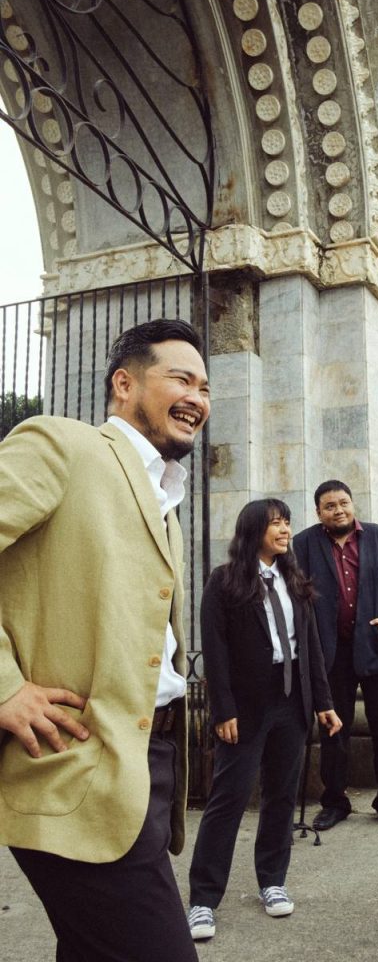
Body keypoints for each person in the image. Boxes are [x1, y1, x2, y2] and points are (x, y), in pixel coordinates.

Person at [0, 317, 211, 962]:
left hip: (149, 764)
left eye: (205, 388)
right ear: (124, 383)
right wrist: (4, 688)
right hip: (72, 767)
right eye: (181, 379)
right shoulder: (60, 444)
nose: (198, 398)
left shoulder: (165, 497)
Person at [187, 499, 341, 939]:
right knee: (229, 798)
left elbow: (309, 645)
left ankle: (272, 880)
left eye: (287, 522)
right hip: (247, 707)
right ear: (254, 530)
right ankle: (203, 899)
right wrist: (223, 709)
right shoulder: (225, 582)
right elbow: (215, 650)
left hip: (292, 700)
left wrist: (323, 702)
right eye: (276, 523)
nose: (285, 529)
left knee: (281, 796)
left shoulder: (294, 579)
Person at [293, 480, 378, 830]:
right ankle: (335, 802)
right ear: (319, 512)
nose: (339, 510)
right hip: (331, 656)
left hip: (377, 649)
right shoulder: (303, 543)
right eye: (330, 506)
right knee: (334, 732)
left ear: (352, 504)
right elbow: (296, 594)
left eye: (343, 503)